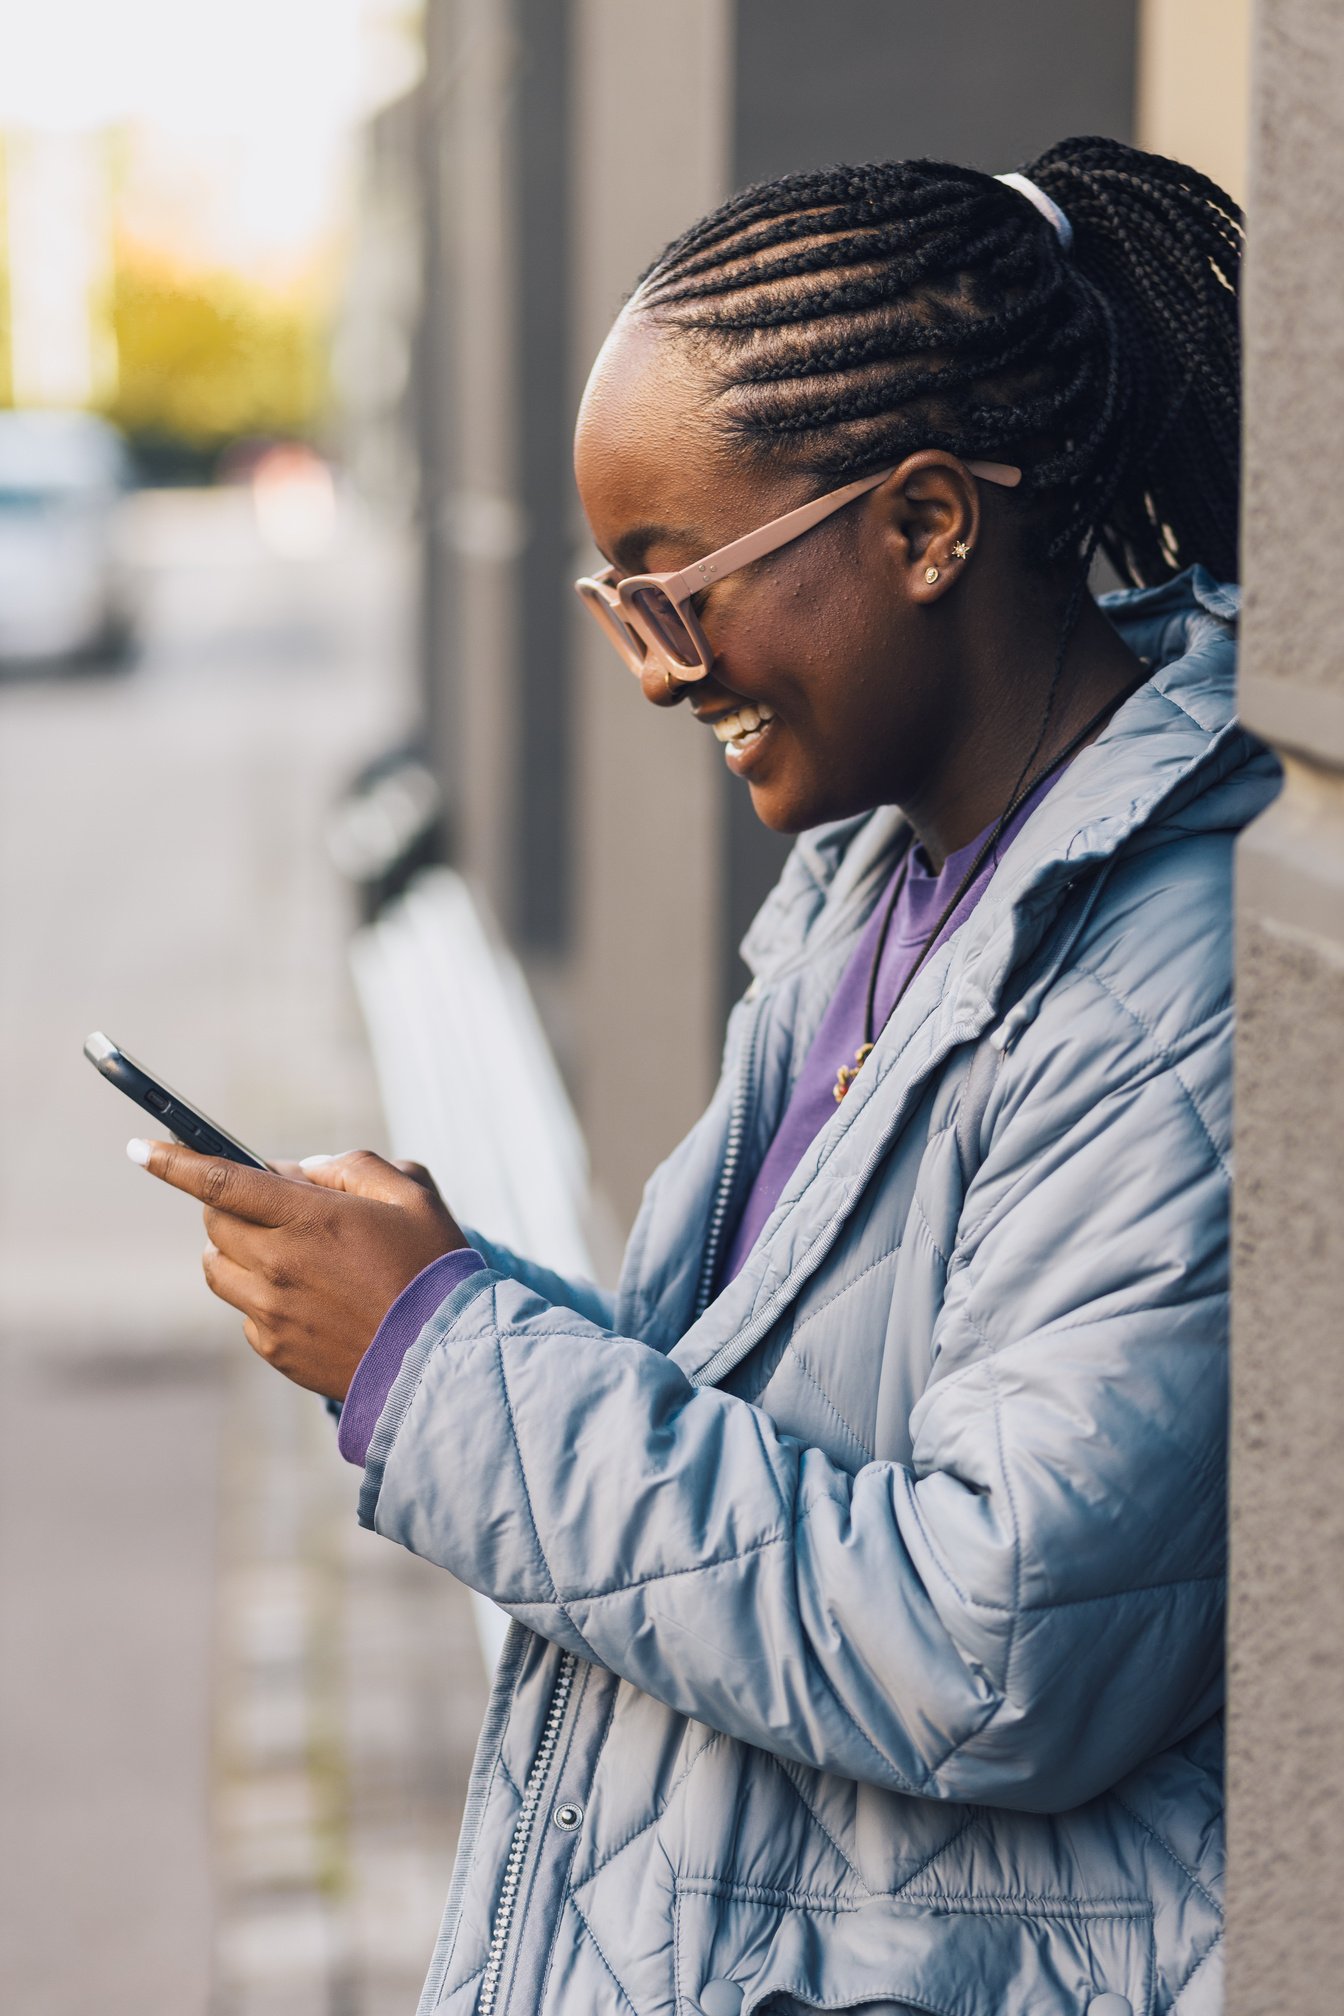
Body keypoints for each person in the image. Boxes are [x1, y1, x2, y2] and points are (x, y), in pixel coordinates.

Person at [135, 137, 1272, 2015]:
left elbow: (999, 1646)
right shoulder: (869, 893)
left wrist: (443, 1368)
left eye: (679, 587)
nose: (658, 673)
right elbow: (784, 1421)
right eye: (616, 604)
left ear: (923, 528)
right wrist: (449, 1296)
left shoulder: (1176, 981)